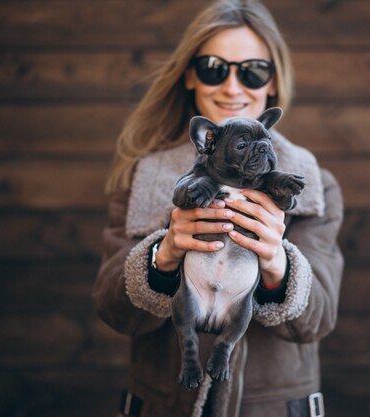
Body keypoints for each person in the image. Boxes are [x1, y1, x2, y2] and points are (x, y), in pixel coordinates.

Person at [92, 1, 344, 416]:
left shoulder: (312, 182)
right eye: (214, 68)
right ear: (190, 76)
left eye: (252, 71)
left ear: (274, 82)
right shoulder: (144, 177)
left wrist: (278, 265)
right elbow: (114, 311)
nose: (232, 87)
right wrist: (163, 258)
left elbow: (318, 320)